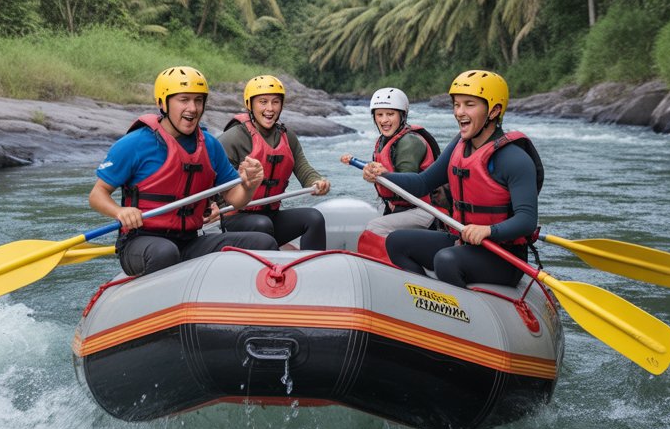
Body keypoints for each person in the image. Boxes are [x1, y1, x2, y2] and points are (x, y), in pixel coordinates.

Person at [89, 65, 278, 277]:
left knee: (263, 242)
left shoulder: (210, 146)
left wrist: (249, 185)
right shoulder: (134, 143)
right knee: (165, 252)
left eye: (198, 100)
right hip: (140, 241)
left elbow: (237, 199)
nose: (192, 108)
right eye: (184, 99)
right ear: (162, 103)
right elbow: (97, 194)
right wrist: (120, 212)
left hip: (189, 241)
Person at [361, 70, 543, 288]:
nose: (459, 112)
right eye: (456, 105)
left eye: (469, 104)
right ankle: (422, 296)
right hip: (463, 241)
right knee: (396, 242)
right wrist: (383, 175)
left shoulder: (513, 158)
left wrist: (488, 231)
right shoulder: (460, 146)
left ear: (494, 111)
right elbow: (422, 184)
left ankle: (459, 305)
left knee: (446, 259)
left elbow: (526, 220)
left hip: (504, 256)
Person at [218, 74, 331, 250]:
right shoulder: (233, 138)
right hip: (235, 218)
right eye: (263, 102)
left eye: (275, 102)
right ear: (250, 104)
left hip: (270, 215)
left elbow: (303, 168)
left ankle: (312, 265)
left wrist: (316, 181)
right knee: (262, 224)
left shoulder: (288, 137)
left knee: (314, 218)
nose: (270, 108)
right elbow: (215, 180)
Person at [340, 86, 443, 242]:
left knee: (374, 229)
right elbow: (385, 170)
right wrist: (359, 165)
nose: (384, 120)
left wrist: (380, 175)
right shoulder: (385, 140)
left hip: (424, 210)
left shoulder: (410, 142)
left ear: (402, 115)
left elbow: (408, 183)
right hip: (401, 207)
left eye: (390, 114)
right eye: (379, 114)